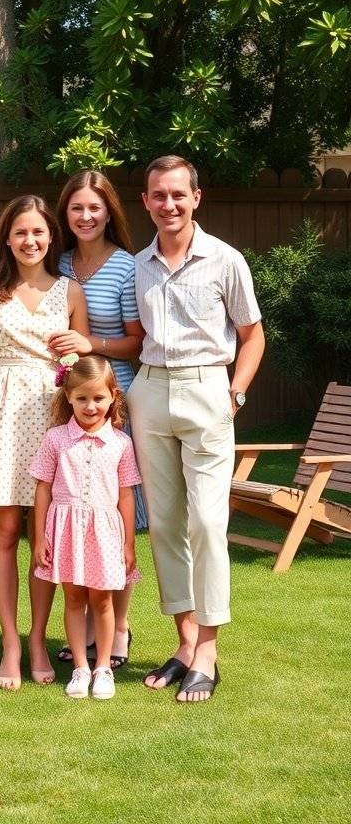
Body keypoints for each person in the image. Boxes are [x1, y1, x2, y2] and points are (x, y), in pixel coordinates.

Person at [127, 154, 265, 703]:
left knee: (207, 523)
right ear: (146, 202)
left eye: (178, 194)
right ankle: (185, 642)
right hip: (151, 391)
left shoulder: (226, 260)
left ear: (196, 198)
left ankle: (209, 646)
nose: (169, 204)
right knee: (162, 525)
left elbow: (252, 334)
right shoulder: (139, 264)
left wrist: (236, 391)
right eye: (159, 195)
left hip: (209, 388)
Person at [0, 195, 89, 691]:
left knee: (46, 534)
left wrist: (79, 349)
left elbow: (84, 364)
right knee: (6, 530)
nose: (30, 241)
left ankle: (38, 638)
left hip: (54, 413)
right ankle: (10, 643)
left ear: (51, 237)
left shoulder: (70, 291)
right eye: (20, 233)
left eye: (39, 232)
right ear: (7, 238)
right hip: (1, 411)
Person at [48, 170, 145, 669]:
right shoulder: (57, 261)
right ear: (64, 214)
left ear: (110, 212)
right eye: (76, 208)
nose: (86, 217)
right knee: (75, 512)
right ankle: (82, 627)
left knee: (109, 515)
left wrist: (93, 344)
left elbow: (137, 341)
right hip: (69, 404)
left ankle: (119, 626)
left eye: (95, 208)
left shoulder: (126, 267)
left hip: (114, 400)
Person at [32, 355, 141, 700]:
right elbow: (43, 489)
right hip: (65, 530)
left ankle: (103, 666)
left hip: (106, 532)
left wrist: (128, 544)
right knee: (74, 598)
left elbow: (126, 496)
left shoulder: (122, 443)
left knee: (104, 600)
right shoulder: (55, 439)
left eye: (98, 398)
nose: (90, 406)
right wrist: (39, 539)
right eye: (82, 398)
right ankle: (80, 666)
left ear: (113, 398)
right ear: (68, 397)